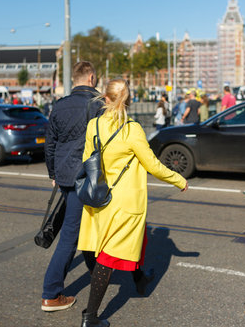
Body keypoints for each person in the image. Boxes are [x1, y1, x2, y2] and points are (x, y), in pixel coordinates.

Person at [77, 79, 188, 327]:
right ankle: (90, 317)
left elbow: (87, 159)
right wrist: (178, 179)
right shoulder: (132, 129)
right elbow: (152, 165)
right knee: (108, 257)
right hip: (124, 202)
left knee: (133, 241)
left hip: (98, 198)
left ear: (105, 98)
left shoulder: (93, 125)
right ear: (127, 101)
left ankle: (139, 280)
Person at [42, 61, 104, 312]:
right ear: (90, 78)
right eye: (96, 77)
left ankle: (97, 271)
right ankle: (51, 292)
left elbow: (50, 144)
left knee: (81, 227)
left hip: (66, 176)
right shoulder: (99, 104)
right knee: (70, 235)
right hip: (88, 177)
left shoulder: (59, 105)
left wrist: (53, 173)